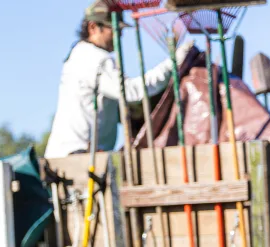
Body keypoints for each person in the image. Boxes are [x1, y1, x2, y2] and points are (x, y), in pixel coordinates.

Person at [45, 2, 195, 158]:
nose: (120, 35)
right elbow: (130, 91)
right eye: (114, 29)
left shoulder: (80, 55)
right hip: (77, 155)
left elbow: (110, 106)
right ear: (93, 27)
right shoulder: (94, 59)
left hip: (71, 153)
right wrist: (173, 63)